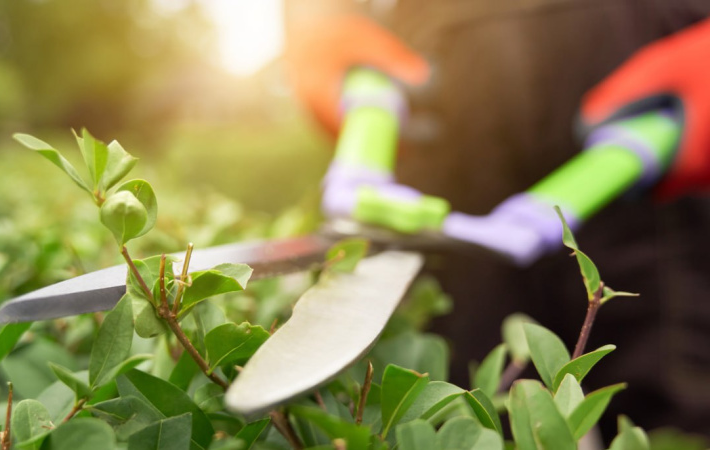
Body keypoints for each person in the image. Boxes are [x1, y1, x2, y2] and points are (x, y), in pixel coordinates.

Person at [285, 0, 710, 439]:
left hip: (651, 46)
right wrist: (318, 18)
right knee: (458, 412)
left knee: (680, 420)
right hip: (442, 70)